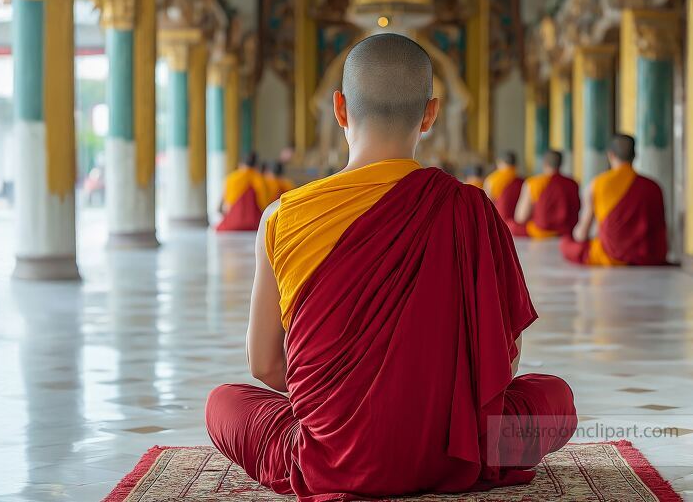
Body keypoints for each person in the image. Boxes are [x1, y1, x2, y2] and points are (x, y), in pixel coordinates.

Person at [205, 33, 576, 501]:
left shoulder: (281, 217)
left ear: (339, 109)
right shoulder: (470, 209)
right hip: (461, 449)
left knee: (224, 403)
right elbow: (506, 357)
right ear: (430, 114)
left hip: (328, 459)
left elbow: (263, 364)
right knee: (556, 398)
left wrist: (342, 403)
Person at [561, 134, 667, 266]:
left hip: (610, 255)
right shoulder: (653, 186)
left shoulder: (598, 184)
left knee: (566, 244)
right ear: (635, 156)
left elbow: (582, 233)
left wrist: (573, 238)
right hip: (647, 256)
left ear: (610, 155)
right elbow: (659, 231)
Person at [506, 150, 580, 239]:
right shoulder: (572, 183)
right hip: (565, 230)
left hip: (541, 231)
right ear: (561, 164)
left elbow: (521, 217)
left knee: (510, 226)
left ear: (544, 163)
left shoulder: (533, 183)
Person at [216, 152, 271, 232]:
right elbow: (264, 205)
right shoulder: (260, 179)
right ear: (256, 165)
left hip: (233, 221)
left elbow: (226, 205)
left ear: (240, 164)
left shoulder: (232, 178)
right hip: (255, 223)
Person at [484, 151, 523, 222]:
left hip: (499, 222)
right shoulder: (523, 181)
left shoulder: (492, 180)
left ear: (499, 162)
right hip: (516, 222)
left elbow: (486, 206)